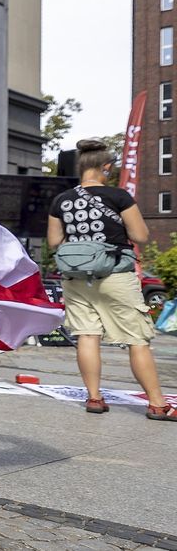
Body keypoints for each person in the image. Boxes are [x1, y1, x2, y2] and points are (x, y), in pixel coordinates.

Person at [46, 138, 176, 422]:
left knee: (87, 335)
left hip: (76, 278)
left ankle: (94, 397)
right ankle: (157, 404)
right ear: (106, 167)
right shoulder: (118, 197)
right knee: (136, 339)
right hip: (115, 274)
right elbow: (141, 236)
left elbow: (54, 241)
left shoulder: (61, 200)